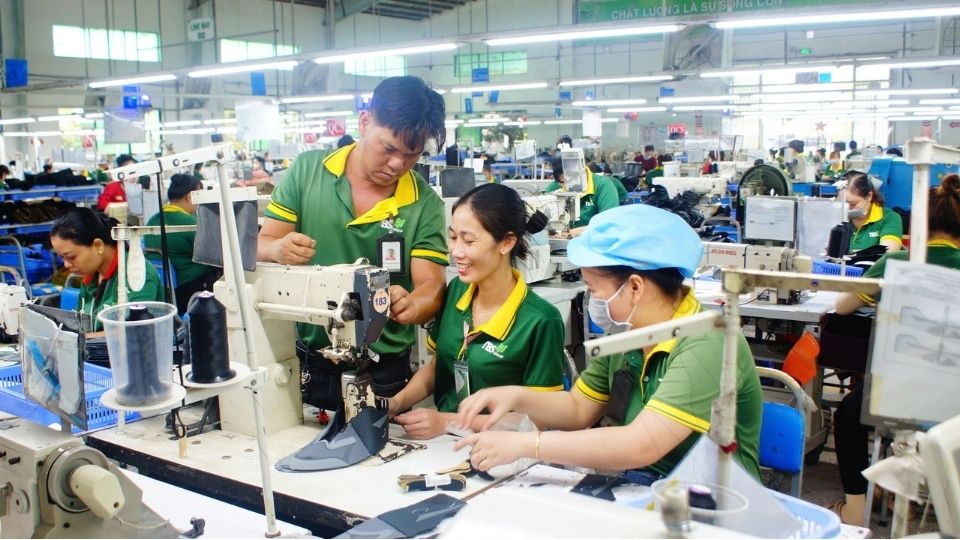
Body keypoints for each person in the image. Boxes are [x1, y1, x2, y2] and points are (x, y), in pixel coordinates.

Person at [453, 204, 763, 480]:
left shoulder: (708, 343)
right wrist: (515, 396)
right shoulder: (629, 336)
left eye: (594, 289)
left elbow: (642, 444)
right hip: (653, 489)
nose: (592, 301)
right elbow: (578, 409)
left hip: (716, 506)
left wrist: (529, 444)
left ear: (635, 287)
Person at [258, 75, 449, 411]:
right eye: (389, 148)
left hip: (385, 371)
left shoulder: (424, 204)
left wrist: (413, 306)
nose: (397, 165)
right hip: (312, 364)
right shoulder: (308, 172)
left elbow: (431, 286)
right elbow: (263, 244)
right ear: (364, 122)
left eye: (411, 155)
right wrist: (277, 249)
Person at [830, 174, 960, 524]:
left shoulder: (896, 263)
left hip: (897, 394)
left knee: (848, 416)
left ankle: (855, 512)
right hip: (954, 399)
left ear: (918, 225)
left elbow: (842, 307)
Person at [389, 184, 566, 439]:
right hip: (443, 446)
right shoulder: (456, 293)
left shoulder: (541, 320)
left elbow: (537, 418)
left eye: (469, 240)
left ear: (506, 242)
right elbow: (439, 365)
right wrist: (396, 402)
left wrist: (447, 422)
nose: (456, 251)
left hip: (503, 451)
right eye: (452, 238)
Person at [50, 208, 163, 333]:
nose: (66, 265)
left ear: (98, 245)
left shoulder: (138, 277)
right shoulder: (91, 275)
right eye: (62, 257)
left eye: (71, 257)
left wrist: (77, 340)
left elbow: (130, 333)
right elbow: (80, 322)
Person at [145, 174, 216, 314]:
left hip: (162, 287)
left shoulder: (152, 220)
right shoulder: (190, 224)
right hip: (189, 288)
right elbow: (212, 255)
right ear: (190, 197)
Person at [545, 156, 619, 237]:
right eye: (564, 182)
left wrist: (573, 232)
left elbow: (608, 223)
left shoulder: (603, 186)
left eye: (573, 180)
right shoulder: (556, 187)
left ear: (583, 172)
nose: (570, 186)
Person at [844, 171, 902, 254]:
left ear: (869, 196)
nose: (847, 208)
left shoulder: (889, 218)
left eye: (853, 204)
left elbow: (887, 253)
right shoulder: (837, 218)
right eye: (843, 204)